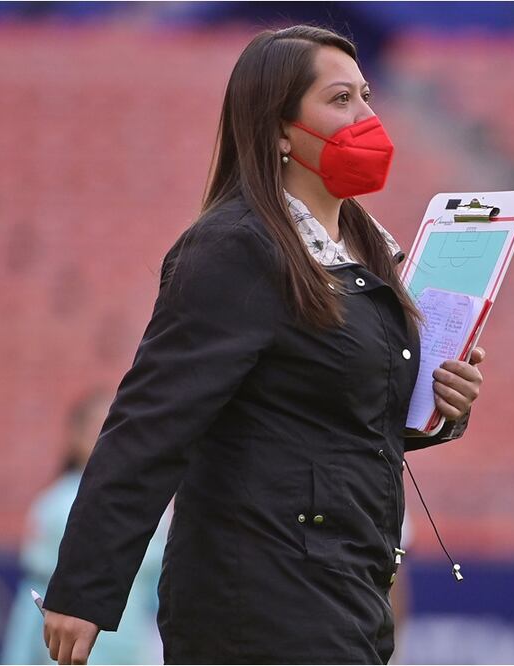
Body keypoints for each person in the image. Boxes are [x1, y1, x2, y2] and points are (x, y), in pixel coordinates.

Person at [42, 25, 485, 665]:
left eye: (366, 96)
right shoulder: (234, 248)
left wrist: (442, 405)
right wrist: (84, 588)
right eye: (340, 99)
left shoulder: (369, 252)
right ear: (278, 128)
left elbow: (342, 418)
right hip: (258, 595)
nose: (366, 116)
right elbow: (152, 422)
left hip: (349, 584)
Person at [0, 388, 169, 664]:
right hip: (73, 651)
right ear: (75, 437)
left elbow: (157, 593)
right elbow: (35, 587)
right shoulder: (56, 505)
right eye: (98, 429)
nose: (112, 439)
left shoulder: (151, 507)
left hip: (132, 651)